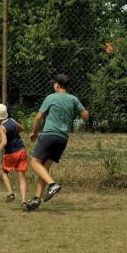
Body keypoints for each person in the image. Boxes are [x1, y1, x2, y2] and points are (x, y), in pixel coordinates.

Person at [26, 74, 89, 211]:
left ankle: (52, 185)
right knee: (44, 168)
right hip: (62, 138)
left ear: (57, 85)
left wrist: (34, 132)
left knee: (34, 163)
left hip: (49, 135)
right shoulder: (73, 99)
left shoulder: (51, 97)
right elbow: (85, 115)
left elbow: (39, 117)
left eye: (53, 84)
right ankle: (36, 199)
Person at [0, 103, 29, 209]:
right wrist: (14, 132)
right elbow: (22, 128)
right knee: (22, 177)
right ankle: (24, 201)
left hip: (11, 153)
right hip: (22, 150)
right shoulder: (12, 121)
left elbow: (4, 142)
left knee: (4, 173)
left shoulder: (2, 127)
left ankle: (10, 193)